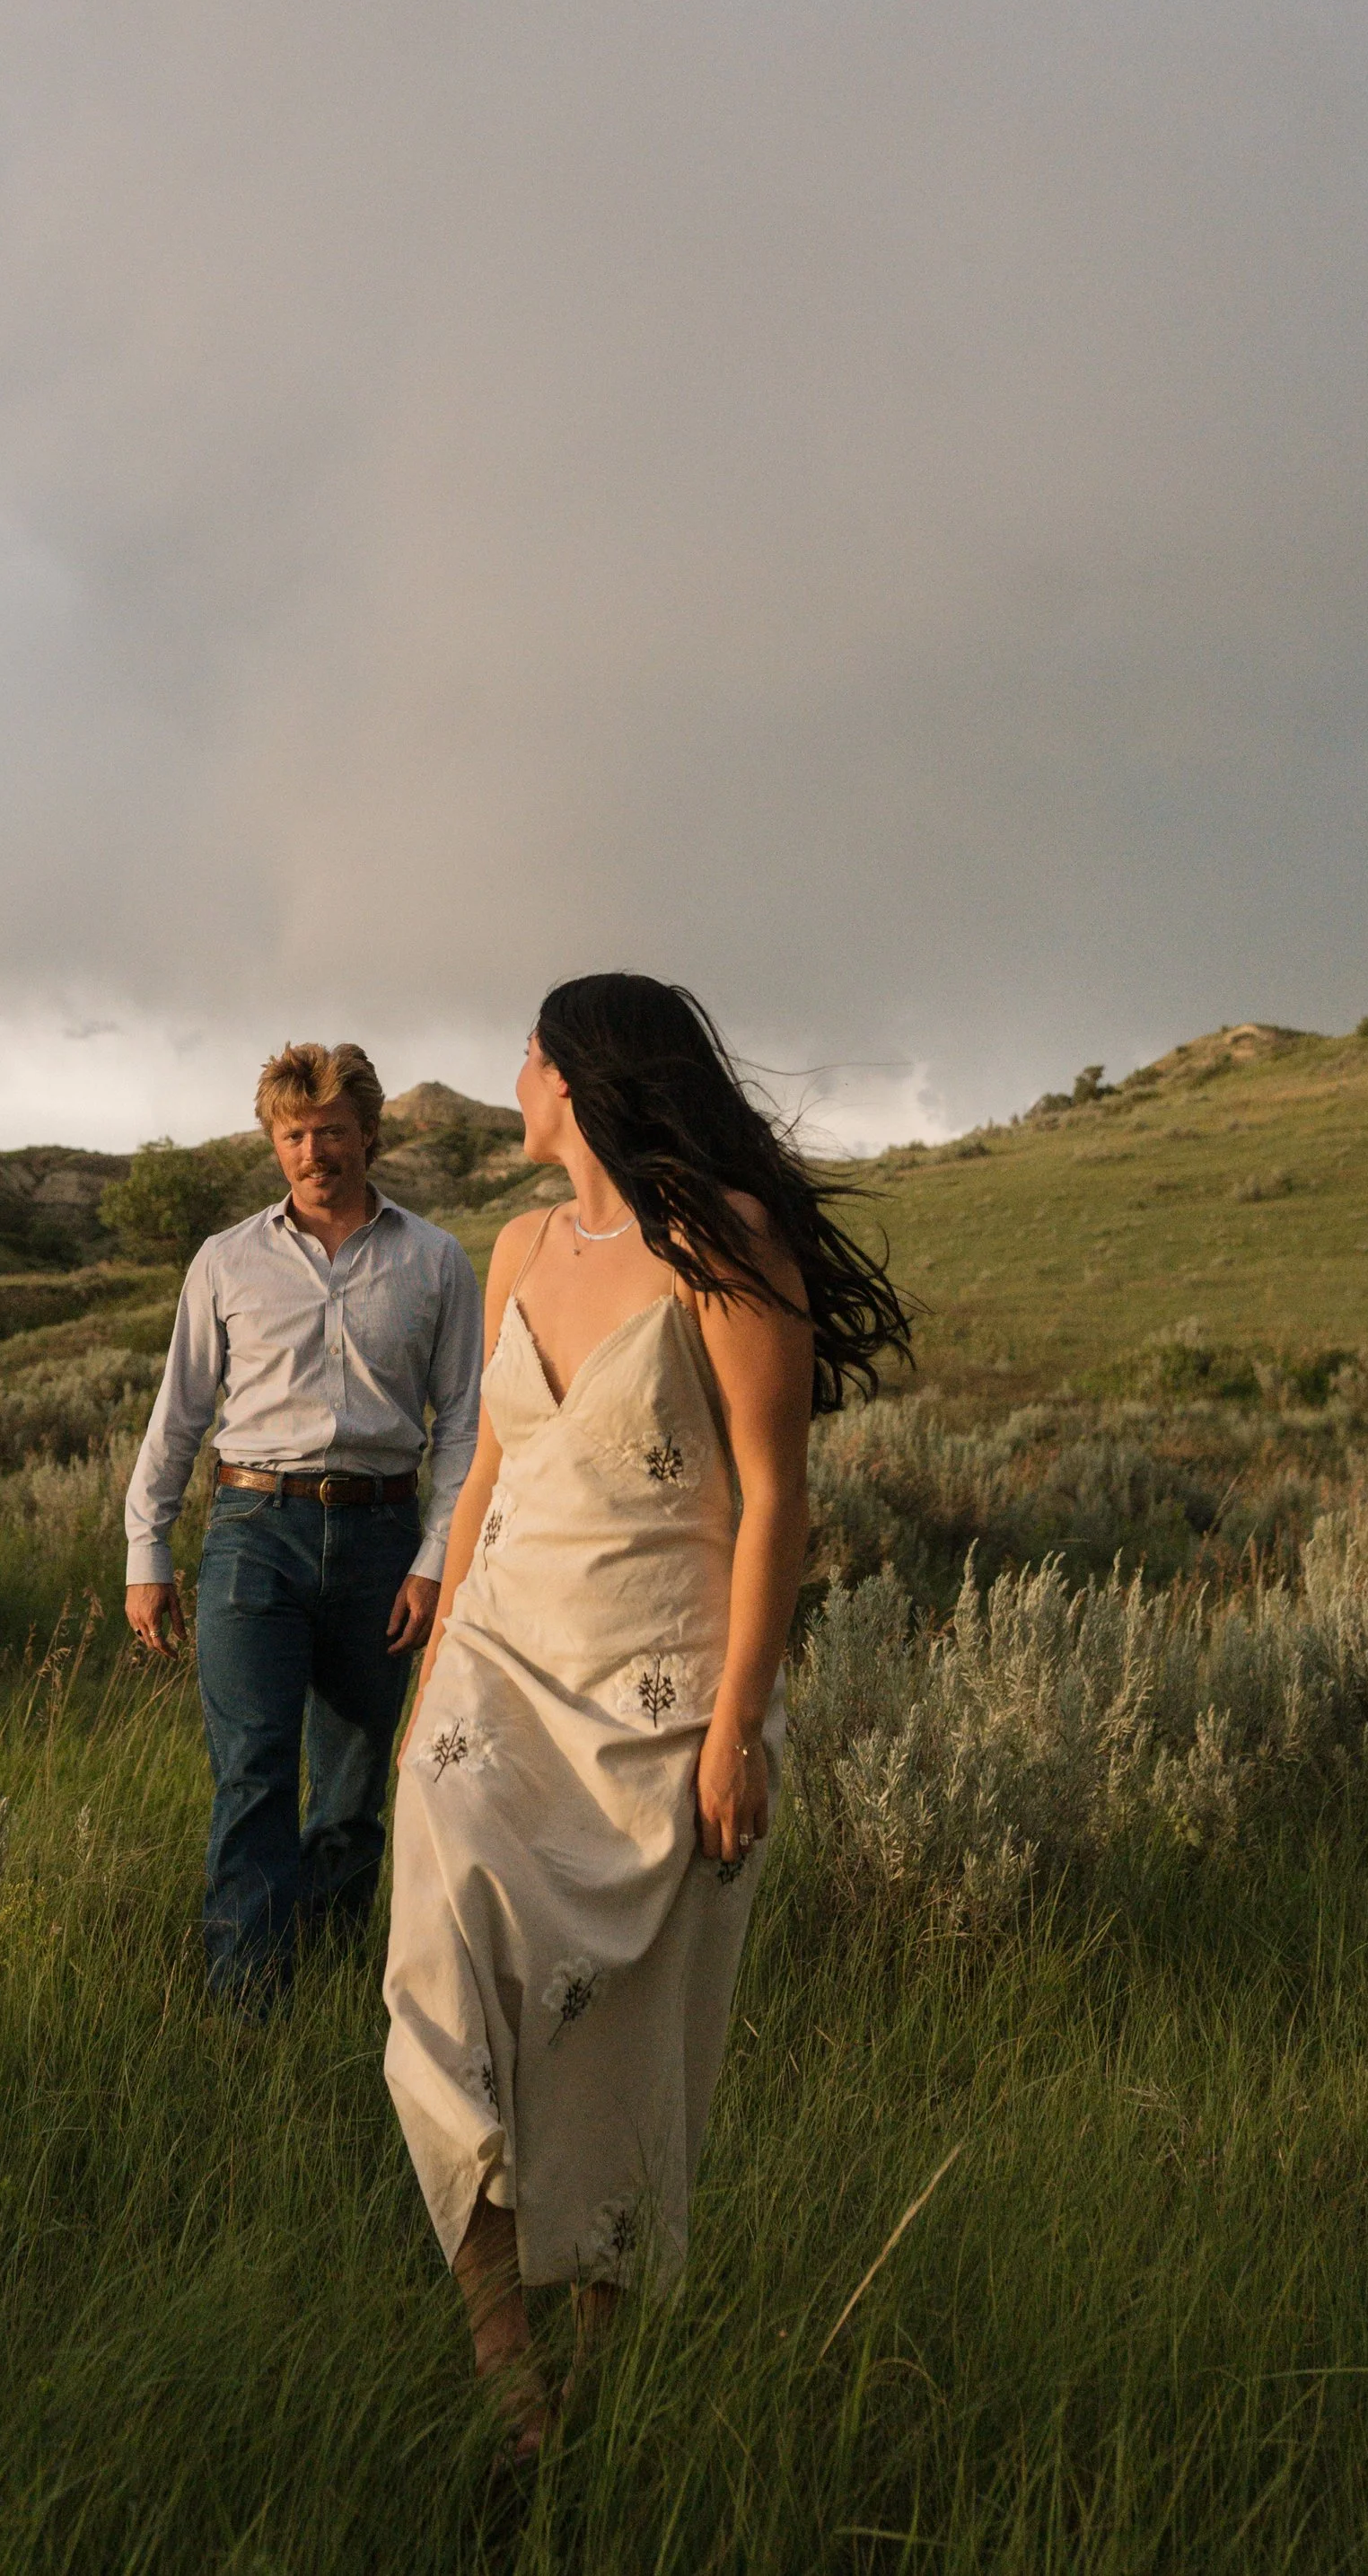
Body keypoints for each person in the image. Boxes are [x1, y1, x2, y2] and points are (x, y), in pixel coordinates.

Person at [381, 973, 911, 2457]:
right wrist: (432, 1682)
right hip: (495, 1681)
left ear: (584, 1076)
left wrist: (738, 1725)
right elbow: (489, 1467)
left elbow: (774, 1498)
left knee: (627, 2050)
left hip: (658, 1703)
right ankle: (510, 2379)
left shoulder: (729, 1245)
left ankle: (606, 2411)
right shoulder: (525, 1243)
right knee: (437, 1995)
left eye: (531, 1053)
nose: (513, 1075)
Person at [124, 1041, 483, 2007]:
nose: (313, 1151)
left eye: (330, 1131)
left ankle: (326, 1981)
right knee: (251, 1776)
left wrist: (435, 1561)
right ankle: (248, 2005)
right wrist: (145, 1550)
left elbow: (464, 1426)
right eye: (293, 1135)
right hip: (254, 1531)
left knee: (355, 1793)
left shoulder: (436, 1260)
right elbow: (180, 1413)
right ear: (273, 1144)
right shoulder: (226, 1260)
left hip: (383, 1539)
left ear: (370, 1134)